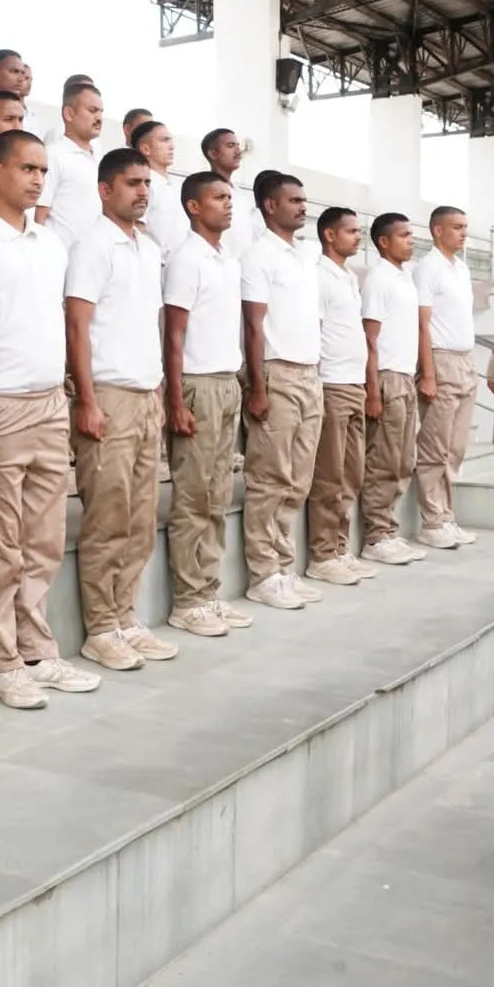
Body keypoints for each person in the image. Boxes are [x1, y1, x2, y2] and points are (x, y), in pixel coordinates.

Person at [0, 129, 102, 706]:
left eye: (43, 170)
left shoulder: (50, 244)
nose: (38, 179)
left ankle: (39, 650)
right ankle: (5, 663)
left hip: (48, 402)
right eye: (27, 168)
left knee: (43, 541)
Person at [65, 147, 177, 671]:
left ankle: (126, 616)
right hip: (108, 396)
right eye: (132, 183)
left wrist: (157, 391)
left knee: (139, 518)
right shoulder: (93, 245)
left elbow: (149, 324)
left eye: (147, 183)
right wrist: (86, 400)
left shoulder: (147, 249)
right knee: (107, 519)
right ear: (105, 189)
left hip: (144, 393)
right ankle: (101, 627)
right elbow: (76, 326)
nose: (142, 192)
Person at [160, 170, 254, 639]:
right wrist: (176, 400)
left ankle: (210, 590)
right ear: (194, 207)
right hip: (197, 385)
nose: (228, 204)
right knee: (194, 497)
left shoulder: (227, 260)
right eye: (218, 197)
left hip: (226, 382)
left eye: (229, 197)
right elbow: (173, 335)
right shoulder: (186, 260)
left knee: (217, 496)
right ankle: (188, 599)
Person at [239, 171, 323, 610]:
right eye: (294, 200)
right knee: (270, 478)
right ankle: (263, 574)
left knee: (298, 479)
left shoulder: (305, 255)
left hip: (310, 373)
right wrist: (257, 386)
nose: (302, 206)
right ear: (270, 206)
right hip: (277, 372)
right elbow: (253, 326)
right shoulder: (258, 255)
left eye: (304, 200)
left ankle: (284, 567)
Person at [359, 212, 430, 567]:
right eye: (403, 235)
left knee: (403, 460)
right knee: (384, 460)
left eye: (411, 234)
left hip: (405, 376)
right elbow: (369, 339)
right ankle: (376, 535)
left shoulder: (405, 278)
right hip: (385, 377)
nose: (411, 240)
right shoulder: (378, 280)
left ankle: (389, 529)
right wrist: (373, 390)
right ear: (384, 242)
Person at [306, 207, 372, 586]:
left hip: (354, 383)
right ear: (330, 235)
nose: (357, 237)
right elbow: (314, 329)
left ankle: (340, 548)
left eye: (359, 231)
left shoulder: (348, 276)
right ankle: (322, 554)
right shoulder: (319, 275)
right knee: (329, 475)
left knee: (351, 474)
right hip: (331, 383)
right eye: (351, 231)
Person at [411, 205, 481, 547]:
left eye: (465, 226)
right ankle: (432, 522)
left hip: (465, 361)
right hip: (440, 360)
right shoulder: (427, 268)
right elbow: (421, 324)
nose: (464, 232)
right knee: (434, 447)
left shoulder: (461, 268)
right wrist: (427, 373)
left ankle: (447, 517)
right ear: (438, 230)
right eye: (457, 227)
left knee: (455, 449)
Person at [35, 79, 102, 243]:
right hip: (58, 255)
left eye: (101, 111)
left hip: (93, 255)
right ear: (69, 114)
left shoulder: (100, 158)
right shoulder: (52, 155)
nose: (99, 117)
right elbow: (39, 214)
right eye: (92, 110)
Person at [132, 119, 185, 255]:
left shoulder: (177, 185)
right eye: (164, 140)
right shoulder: (145, 185)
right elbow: (137, 229)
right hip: (156, 263)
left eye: (171, 140)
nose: (172, 146)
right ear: (146, 148)